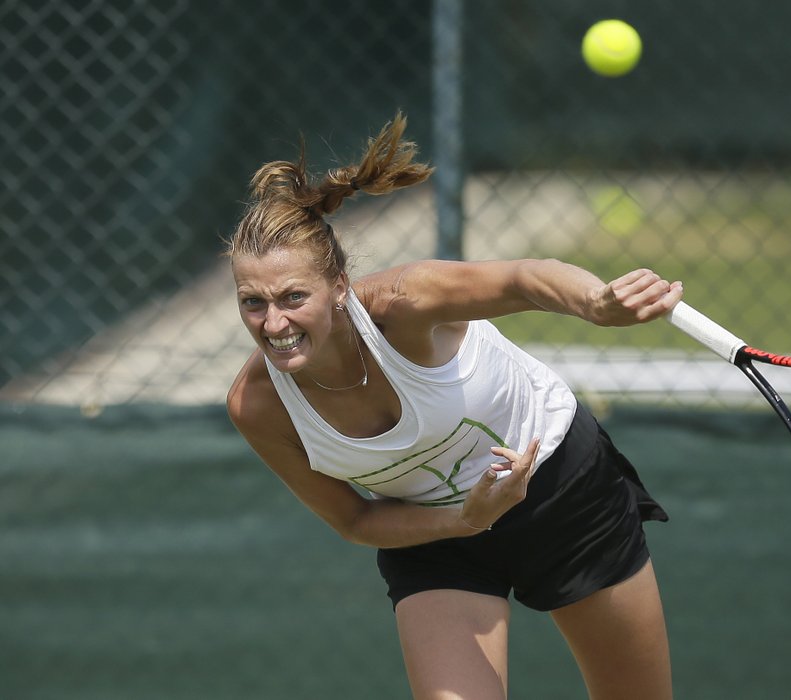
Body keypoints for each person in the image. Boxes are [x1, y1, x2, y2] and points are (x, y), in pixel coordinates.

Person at [225, 113, 683, 700]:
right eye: (252, 303)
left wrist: (597, 302)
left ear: (339, 286)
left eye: (293, 297)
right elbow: (355, 519)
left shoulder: (403, 303)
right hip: (435, 536)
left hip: (560, 488)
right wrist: (467, 519)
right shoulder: (257, 406)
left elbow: (523, 279)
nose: (274, 323)